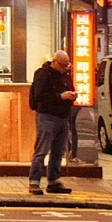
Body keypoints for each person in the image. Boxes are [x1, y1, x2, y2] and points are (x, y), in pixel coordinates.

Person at [28, 49, 77, 195]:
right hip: (47, 116)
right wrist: (61, 96)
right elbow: (40, 96)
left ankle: (54, 181)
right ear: (55, 62)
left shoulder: (66, 74)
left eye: (67, 66)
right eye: (62, 65)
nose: (64, 69)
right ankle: (34, 182)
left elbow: (70, 88)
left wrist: (72, 95)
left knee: (58, 151)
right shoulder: (43, 74)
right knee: (41, 150)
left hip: (63, 116)